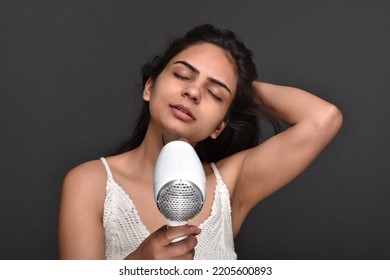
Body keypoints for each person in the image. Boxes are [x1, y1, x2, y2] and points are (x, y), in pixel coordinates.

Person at [58, 24, 342, 260]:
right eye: (182, 75)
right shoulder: (90, 183)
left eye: (215, 94)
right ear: (149, 86)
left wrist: (239, 88)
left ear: (219, 126)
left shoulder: (230, 184)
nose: (193, 91)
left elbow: (323, 118)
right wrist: (138, 263)